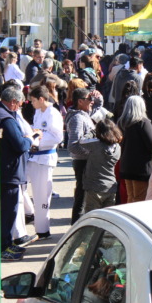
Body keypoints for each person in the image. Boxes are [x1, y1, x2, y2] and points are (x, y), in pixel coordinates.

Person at [0, 86, 39, 261]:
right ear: (13, 102)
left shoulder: (0, 113)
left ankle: (6, 243)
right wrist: (31, 139)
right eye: (20, 103)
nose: (20, 106)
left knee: (9, 211)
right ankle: (4, 246)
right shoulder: (5, 118)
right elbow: (20, 144)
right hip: (9, 172)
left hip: (7, 170)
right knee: (8, 211)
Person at [25, 85, 64, 240]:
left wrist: (37, 139)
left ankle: (43, 230)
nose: (31, 103)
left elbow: (57, 137)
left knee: (41, 196)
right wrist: (33, 134)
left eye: (33, 100)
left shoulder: (53, 113)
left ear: (41, 99)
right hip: (33, 157)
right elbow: (37, 130)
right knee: (20, 186)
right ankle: (29, 213)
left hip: (45, 158)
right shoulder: (38, 112)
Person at [66, 88, 105, 224]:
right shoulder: (77, 118)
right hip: (83, 162)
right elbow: (73, 146)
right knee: (82, 196)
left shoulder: (84, 113)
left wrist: (98, 96)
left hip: (86, 162)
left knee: (85, 195)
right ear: (80, 101)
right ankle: (76, 224)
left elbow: (98, 106)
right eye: (89, 99)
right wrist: (92, 153)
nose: (92, 102)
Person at [79, 119, 123, 213]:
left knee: (92, 215)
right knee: (107, 216)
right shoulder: (118, 147)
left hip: (94, 186)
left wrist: (92, 132)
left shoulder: (96, 144)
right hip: (111, 187)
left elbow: (82, 141)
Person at [118, 96, 152, 203]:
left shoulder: (122, 123)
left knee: (131, 197)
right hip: (141, 168)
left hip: (126, 166)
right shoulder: (143, 123)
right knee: (140, 199)